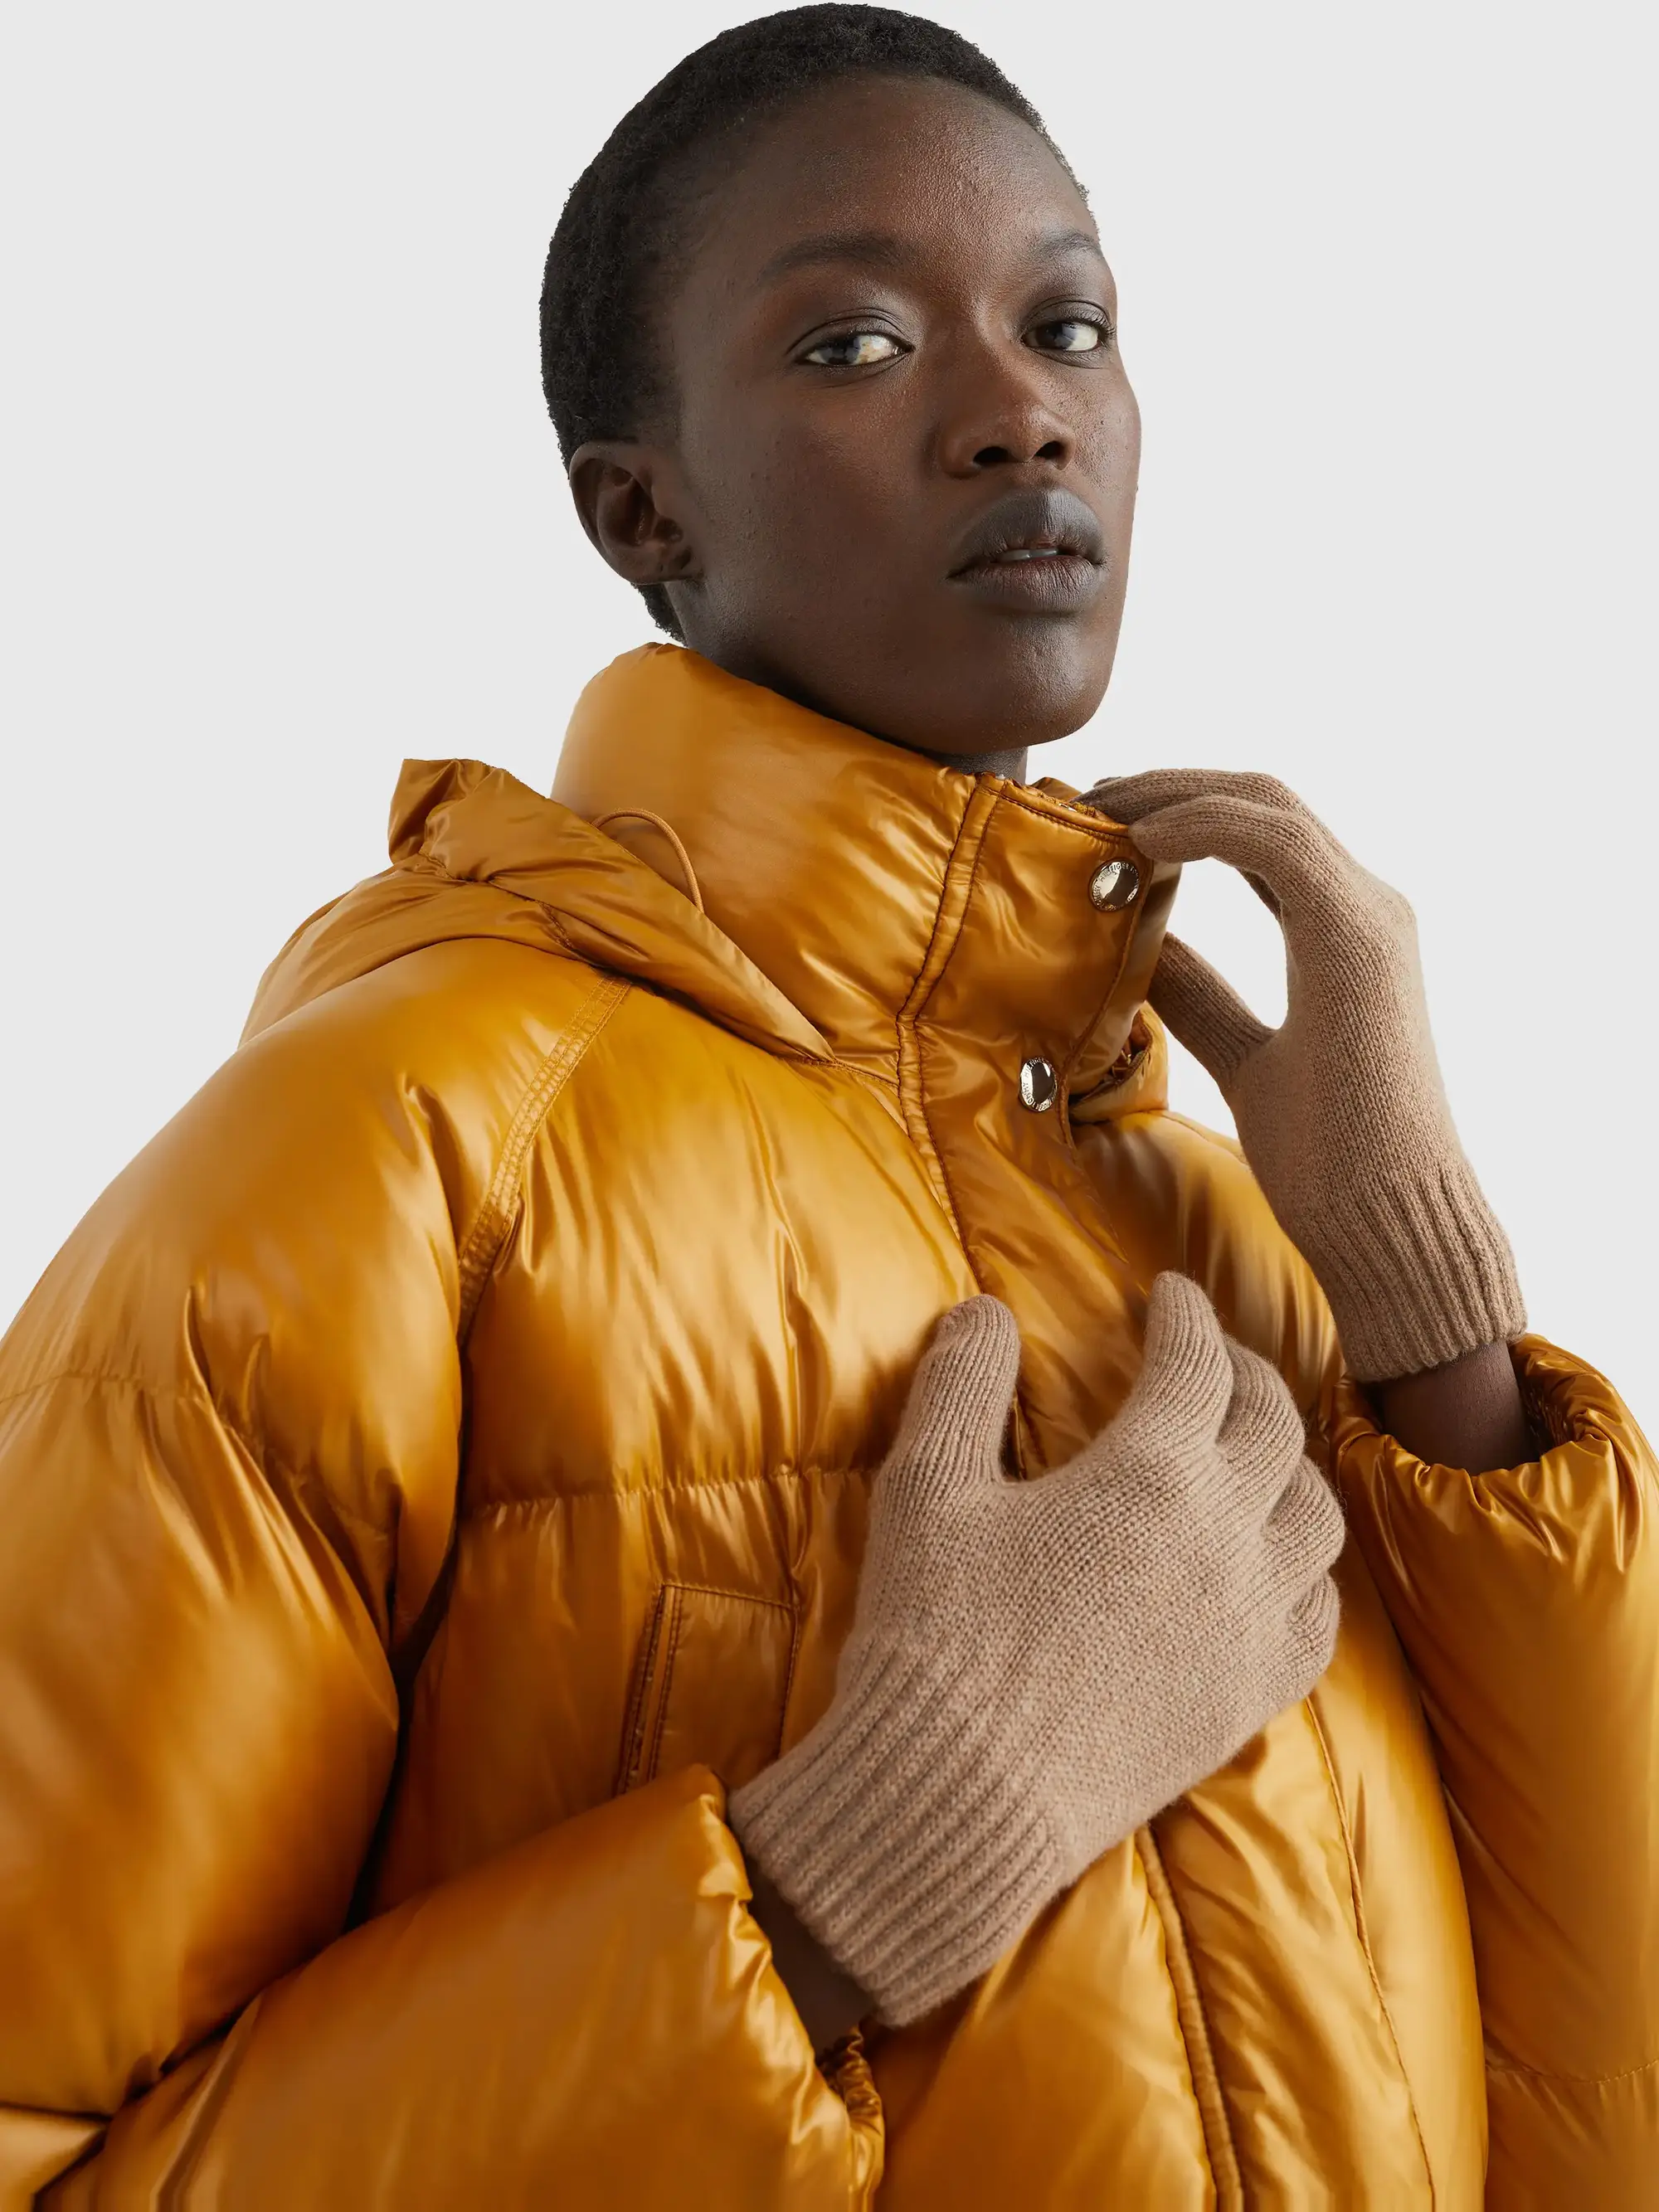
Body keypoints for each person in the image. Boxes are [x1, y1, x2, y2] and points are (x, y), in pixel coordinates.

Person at [2, 5, 1653, 2205]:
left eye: (1069, 326)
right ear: (640, 506)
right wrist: (839, 1884)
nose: (1018, 411)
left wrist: (1441, 1351)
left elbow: (1587, 2093)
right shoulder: (390, 1159)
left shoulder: (1227, 1219)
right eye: (859, 345)